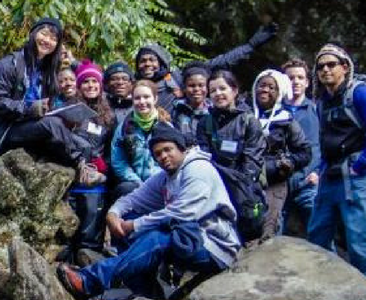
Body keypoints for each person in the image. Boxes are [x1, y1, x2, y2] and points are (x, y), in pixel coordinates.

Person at [55, 123, 241, 299]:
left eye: (168, 150)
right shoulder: (165, 177)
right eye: (158, 154)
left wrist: (134, 225)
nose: (164, 156)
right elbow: (133, 199)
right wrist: (113, 215)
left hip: (214, 246)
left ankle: (89, 281)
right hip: (187, 236)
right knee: (127, 218)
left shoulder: (198, 169)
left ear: (181, 148)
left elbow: (182, 213)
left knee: (158, 237)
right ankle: (148, 294)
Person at [0, 17, 95, 179]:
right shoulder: (8, 65)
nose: (47, 40)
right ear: (32, 34)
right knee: (52, 124)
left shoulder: (48, 72)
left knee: (81, 143)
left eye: (54, 39)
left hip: (31, 129)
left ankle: (80, 176)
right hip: (5, 130)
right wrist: (31, 108)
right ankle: (81, 166)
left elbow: (50, 104)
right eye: (44, 34)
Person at [309, 44, 366, 276]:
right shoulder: (323, 101)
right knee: (318, 231)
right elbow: (325, 139)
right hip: (331, 172)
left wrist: (362, 163)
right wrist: (322, 168)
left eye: (331, 64)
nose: (325, 70)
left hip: (357, 172)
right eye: (320, 66)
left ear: (345, 67)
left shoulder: (360, 92)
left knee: (359, 234)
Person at [132, 24, 277, 112]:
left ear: (161, 62)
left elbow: (222, 62)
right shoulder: (132, 83)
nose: (147, 64)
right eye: (143, 61)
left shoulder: (178, 77)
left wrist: (250, 46)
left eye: (152, 60)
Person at [251, 69, 311, 237]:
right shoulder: (244, 116)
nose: (265, 90)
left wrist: (289, 163)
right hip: (247, 182)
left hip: (274, 181)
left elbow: (305, 152)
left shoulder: (286, 120)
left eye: (271, 88)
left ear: (279, 93)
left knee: (269, 227)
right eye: (262, 86)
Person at [64, 60, 113, 257]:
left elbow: (110, 147)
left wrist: (104, 167)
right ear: (78, 85)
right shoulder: (69, 109)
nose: (91, 85)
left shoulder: (108, 116)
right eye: (85, 82)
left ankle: (88, 256)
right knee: (69, 225)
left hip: (96, 179)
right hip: (71, 176)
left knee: (91, 225)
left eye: (95, 81)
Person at [196, 70, 264, 182]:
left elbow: (252, 162)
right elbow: (204, 158)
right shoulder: (204, 123)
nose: (218, 93)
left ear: (234, 91)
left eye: (222, 88)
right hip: (213, 182)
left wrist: (239, 184)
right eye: (213, 91)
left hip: (242, 186)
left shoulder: (249, 122)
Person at [279, 58, 320, 236]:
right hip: (280, 182)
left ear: (307, 82)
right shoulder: (275, 110)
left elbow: (322, 145)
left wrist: (319, 172)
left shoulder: (316, 110)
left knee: (319, 231)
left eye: (300, 77)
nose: (295, 82)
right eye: (290, 78)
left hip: (308, 182)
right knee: (273, 232)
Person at [109, 81, 169, 201]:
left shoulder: (166, 127)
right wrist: (136, 181)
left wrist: (153, 181)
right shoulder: (124, 128)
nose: (142, 102)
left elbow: (172, 160)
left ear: (155, 99)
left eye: (146, 97)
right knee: (124, 189)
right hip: (134, 183)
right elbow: (119, 161)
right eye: (137, 98)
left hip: (160, 182)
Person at [170, 63, 211, 137]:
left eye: (201, 85)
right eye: (191, 86)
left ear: (207, 87)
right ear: (184, 88)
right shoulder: (176, 110)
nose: (196, 89)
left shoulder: (213, 111)